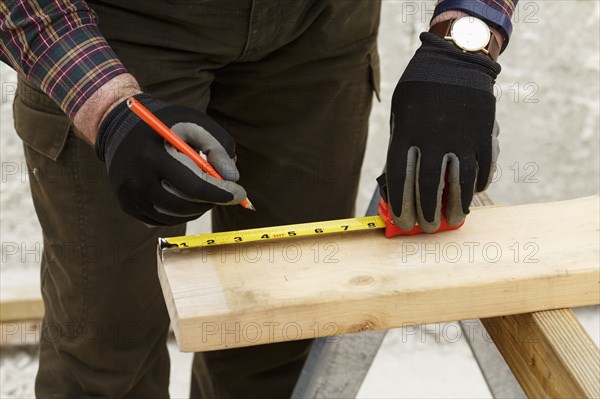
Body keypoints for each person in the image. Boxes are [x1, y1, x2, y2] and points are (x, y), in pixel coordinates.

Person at [1, 0, 516, 397]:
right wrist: (107, 109)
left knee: (280, 335)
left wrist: (463, 48)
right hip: (118, 26)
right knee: (106, 353)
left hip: (318, 30)